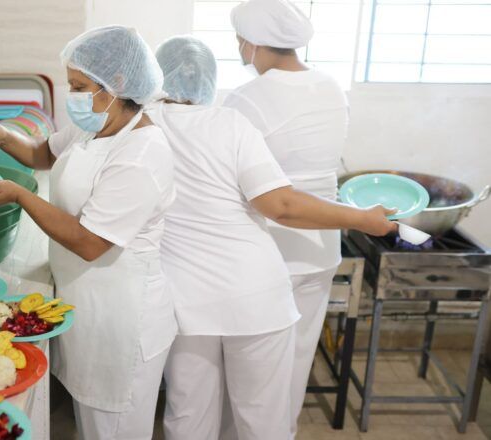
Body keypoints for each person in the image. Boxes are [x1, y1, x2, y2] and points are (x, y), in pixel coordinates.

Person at [150, 35, 396, 440]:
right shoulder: (230, 123)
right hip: (252, 296)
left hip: (183, 300)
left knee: (188, 411)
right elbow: (280, 205)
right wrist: (362, 220)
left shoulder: (141, 126)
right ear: (208, 82)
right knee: (262, 416)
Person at [0, 26, 177, 440]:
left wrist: (20, 196)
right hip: (86, 300)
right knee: (92, 422)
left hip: (120, 315)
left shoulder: (141, 153)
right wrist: (3, 136)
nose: (73, 95)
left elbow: (90, 242)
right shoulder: (97, 123)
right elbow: (42, 154)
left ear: (116, 84)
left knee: (113, 426)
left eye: (79, 86)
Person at [222, 0, 350, 436]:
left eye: (239, 41)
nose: (239, 48)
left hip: (271, 249)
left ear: (252, 43)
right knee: (295, 360)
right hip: (322, 247)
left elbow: (230, 173)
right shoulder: (331, 85)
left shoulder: (248, 98)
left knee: (252, 375)